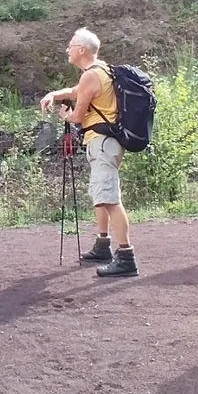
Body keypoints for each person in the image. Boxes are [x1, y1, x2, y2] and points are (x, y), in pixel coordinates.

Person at [38, 28, 137, 279]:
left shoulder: (91, 76)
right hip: (106, 142)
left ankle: (126, 257)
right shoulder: (102, 70)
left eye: (70, 45)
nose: (67, 49)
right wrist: (53, 94)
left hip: (102, 142)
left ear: (82, 49)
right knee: (101, 196)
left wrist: (65, 116)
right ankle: (103, 245)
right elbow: (74, 92)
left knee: (110, 199)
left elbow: (77, 116)